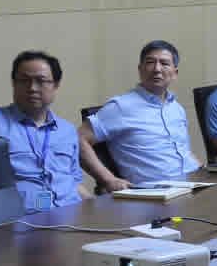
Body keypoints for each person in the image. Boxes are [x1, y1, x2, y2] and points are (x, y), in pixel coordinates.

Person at [0, 51, 89, 212]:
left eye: (41, 81)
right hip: (22, 221)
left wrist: (97, 209)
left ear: (55, 85)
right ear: (14, 83)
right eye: (24, 81)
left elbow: (74, 183)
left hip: (71, 214)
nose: (32, 88)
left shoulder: (67, 131)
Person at [78, 40, 200, 190]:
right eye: (150, 62)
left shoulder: (176, 107)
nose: (157, 69)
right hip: (156, 192)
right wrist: (108, 180)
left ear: (175, 73)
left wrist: (201, 169)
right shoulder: (120, 107)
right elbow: (77, 139)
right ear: (140, 69)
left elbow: (182, 150)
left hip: (194, 182)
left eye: (164, 63)